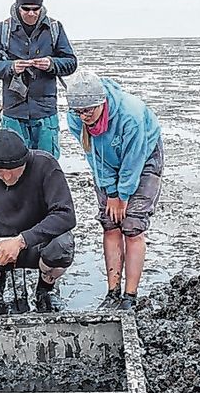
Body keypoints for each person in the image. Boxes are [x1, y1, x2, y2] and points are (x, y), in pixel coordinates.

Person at [65, 70, 164, 311]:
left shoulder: (131, 115)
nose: (84, 116)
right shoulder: (75, 118)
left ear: (101, 102)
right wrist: (110, 192)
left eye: (89, 110)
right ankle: (112, 291)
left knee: (132, 227)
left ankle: (130, 296)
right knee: (110, 224)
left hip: (144, 157)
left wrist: (123, 195)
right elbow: (93, 156)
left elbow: (134, 160)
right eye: (79, 111)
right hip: (105, 162)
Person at [0, 129, 76, 314]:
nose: (7, 177)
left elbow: (65, 215)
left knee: (62, 247)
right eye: (0, 172)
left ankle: (46, 287)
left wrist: (22, 240)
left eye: (12, 171)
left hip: (38, 241)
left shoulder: (46, 166)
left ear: (25, 162)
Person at [0, 0, 77, 158]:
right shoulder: (2, 30)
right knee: (13, 163)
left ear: (42, 6)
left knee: (47, 164)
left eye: (36, 9)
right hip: (14, 113)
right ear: (17, 5)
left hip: (45, 113)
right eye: (26, 9)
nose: (31, 13)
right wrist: (10, 67)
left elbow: (71, 62)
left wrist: (52, 64)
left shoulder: (55, 29)